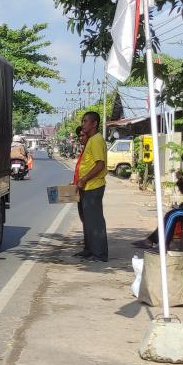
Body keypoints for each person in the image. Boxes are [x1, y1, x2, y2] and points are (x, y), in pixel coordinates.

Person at [134, 151, 183, 249]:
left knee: (173, 215)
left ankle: (163, 245)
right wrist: (181, 180)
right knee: (171, 213)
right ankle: (151, 240)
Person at [75, 111, 108, 261]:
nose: (83, 124)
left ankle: (99, 254)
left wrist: (84, 179)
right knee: (87, 220)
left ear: (94, 123)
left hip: (93, 186)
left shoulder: (96, 140)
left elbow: (100, 164)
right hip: (87, 186)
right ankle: (89, 249)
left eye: (85, 121)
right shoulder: (92, 140)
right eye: (82, 121)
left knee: (95, 221)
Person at [72, 126, 88, 226]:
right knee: (83, 216)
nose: (81, 138)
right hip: (80, 186)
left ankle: (90, 240)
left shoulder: (91, 147)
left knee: (87, 217)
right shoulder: (84, 149)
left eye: (83, 135)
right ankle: (87, 239)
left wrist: (83, 180)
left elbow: (99, 165)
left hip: (87, 187)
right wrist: (74, 181)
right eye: (79, 136)